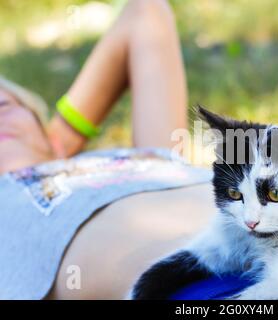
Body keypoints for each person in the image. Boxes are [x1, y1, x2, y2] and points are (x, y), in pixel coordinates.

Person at [0, 0, 216, 299]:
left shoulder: (147, 159)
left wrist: (62, 139)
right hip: (206, 287)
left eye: (4, 105)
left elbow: (145, 13)